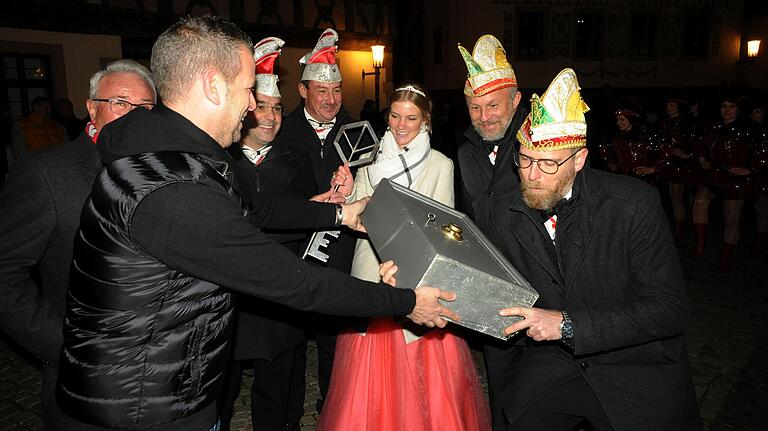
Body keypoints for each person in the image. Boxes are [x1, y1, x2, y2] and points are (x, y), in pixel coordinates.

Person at [56, 16, 457, 431]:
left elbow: (259, 208)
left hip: (163, 388)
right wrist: (407, 302)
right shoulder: (176, 190)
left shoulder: (177, 150)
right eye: (249, 89)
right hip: (142, 407)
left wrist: (341, 213)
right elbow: (294, 282)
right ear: (214, 86)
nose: (253, 106)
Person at [480, 69, 701, 431]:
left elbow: (670, 311)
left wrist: (566, 325)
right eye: (523, 159)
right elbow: (494, 293)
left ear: (580, 160)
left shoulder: (633, 204)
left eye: (548, 163)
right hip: (553, 363)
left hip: (631, 364)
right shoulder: (502, 211)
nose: (532, 175)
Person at [317, 84, 491, 431]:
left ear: (424, 120)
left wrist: (408, 253)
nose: (401, 124)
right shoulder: (369, 158)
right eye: (395, 115)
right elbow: (360, 211)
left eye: (411, 117)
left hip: (419, 277)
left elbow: (444, 227)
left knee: (424, 380)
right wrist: (350, 193)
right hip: (371, 268)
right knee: (367, 383)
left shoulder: (441, 164)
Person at [0, 59, 157, 431]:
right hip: (87, 388)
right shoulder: (47, 174)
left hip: (160, 383)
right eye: (120, 103)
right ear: (91, 107)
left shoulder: (163, 171)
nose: (133, 117)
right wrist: (69, 345)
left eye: (146, 109)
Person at [218, 37, 313, 431]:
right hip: (230, 298)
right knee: (219, 390)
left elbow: (309, 219)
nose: (271, 118)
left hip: (279, 296)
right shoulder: (219, 159)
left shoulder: (298, 159)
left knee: (281, 390)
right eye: (261, 108)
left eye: (277, 109)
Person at [273, 28, 358, 411]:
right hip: (291, 249)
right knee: (286, 340)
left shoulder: (358, 132)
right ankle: (286, 412)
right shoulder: (279, 131)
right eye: (322, 91)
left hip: (340, 250)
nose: (331, 100)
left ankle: (333, 406)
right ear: (303, 91)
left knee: (333, 337)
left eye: (337, 91)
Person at [456, 34, 528, 227]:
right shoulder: (465, 153)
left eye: (493, 105)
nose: (484, 117)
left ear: (515, 100)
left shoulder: (542, 147)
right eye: (475, 108)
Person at [690, 93, 755, 270]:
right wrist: (702, 158)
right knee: (700, 201)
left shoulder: (749, 129)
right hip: (714, 175)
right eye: (724, 106)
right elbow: (701, 146)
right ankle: (701, 244)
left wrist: (751, 168)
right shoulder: (713, 126)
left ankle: (726, 256)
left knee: (731, 220)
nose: (727, 110)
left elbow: (762, 150)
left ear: (739, 109)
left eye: (731, 106)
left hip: (735, 178)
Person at [655, 96, 699, 240]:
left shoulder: (686, 123)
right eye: (667, 105)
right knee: (675, 197)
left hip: (684, 163)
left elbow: (695, 142)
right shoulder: (665, 123)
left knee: (689, 195)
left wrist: (687, 154)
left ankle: (690, 224)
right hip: (671, 162)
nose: (669, 108)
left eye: (672, 105)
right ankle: (679, 226)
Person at [598, 108, 658, 181]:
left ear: (631, 120)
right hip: (622, 175)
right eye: (617, 120)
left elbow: (661, 151)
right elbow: (603, 148)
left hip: (641, 176)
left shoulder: (643, 136)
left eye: (622, 120)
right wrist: (610, 163)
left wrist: (653, 168)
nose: (618, 123)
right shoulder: (617, 137)